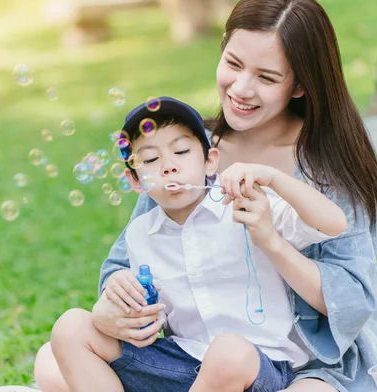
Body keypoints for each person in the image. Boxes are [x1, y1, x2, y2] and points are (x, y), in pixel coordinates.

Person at [34, 0, 377, 391]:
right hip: (201, 359)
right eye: (233, 63)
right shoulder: (187, 149)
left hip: (305, 364)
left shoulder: (324, 168)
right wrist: (110, 311)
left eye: (266, 77)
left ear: (301, 85)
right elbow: (131, 262)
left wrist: (272, 242)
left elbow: (352, 302)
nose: (240, 87)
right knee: (53, 357)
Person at [46, 96, 347, 392]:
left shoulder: (247, 205)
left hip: (257, 366)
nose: (168, 167)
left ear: (210, 162)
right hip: (182, 364)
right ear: (135, 181)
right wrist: (131, 305)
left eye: (181, 151)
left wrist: (270, 178)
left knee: (228, 351)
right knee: (70, 327)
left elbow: (332, 223)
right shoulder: (140, 235)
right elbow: (157, 318)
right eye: (150, 159)